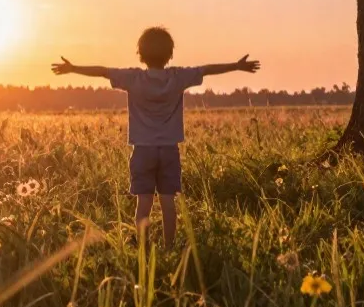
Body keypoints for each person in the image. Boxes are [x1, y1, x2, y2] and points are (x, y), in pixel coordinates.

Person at [52, 26, 260, 247]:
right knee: (168, 202)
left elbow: (103, 71)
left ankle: (143, 247)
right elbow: (207, 69)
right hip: (169, 149)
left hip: (143, 150)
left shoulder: (133, 78)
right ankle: (169, 247)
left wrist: (73, 68)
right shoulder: (178, 77)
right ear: (170, 54)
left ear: (141, 54)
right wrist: (236, 66)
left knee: (144, 203)